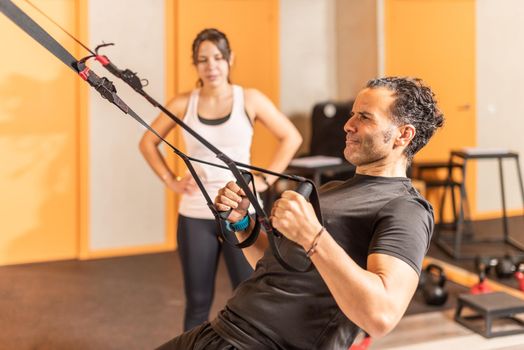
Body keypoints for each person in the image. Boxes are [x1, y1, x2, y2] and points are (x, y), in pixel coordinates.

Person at [155, 76, 445, 349]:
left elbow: (381, 315)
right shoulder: (332, 189)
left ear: (403, 135)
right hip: (222, 330)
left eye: (365, 117)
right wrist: (243, 222)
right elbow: (276, 261)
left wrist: (313, 236)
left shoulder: (406, 208)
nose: (348, 125)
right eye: (353, 114)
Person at [139, 28, 302, 331]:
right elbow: (147, 142)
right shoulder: (182, 103)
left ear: (230, 60)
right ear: (195, 65)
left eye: (217, 57)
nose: (210, 66)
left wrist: (263, 183)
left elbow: (291, 136)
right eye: (202, 60)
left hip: (240, 213)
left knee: (248, 298)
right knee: (197, 303)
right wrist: (171, 180)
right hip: (195, 214)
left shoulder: (249, 99)